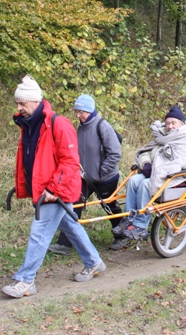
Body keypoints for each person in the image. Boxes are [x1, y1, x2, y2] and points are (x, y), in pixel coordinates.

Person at [2, 75, 106, 299]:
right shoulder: (30, 125)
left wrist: (53, 189)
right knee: (70, 226)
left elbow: (70, 161)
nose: (19, 108)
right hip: (44, 190)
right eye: (17, 104)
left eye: (22, 104)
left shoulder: (58, 123)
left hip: (56, 191)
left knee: (39, 232)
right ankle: (94, 262)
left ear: (35, 101)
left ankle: (26, 280)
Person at [48, 94, 128, 253]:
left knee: (109, 206)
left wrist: (101, 172)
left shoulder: (102, 126)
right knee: (73, 204)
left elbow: (115, 153)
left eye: (81, 112)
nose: (78, 115)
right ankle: (64, 244)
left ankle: (122, 235)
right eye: (76, 112)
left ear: (90, 110)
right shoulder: (81, 127)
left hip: (105, 178)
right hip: (84, 177)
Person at [113, 105, 186, 240]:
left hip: (177, 176)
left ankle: (141, 225)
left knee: (146, 184)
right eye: (168, 123)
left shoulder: (185, 136)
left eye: (173, 123)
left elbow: (184, 162)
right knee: (134, 180)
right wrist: (146, 164)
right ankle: (129, 217)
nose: (170, 126)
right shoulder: (163, 136)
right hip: (159, 173)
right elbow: (147, 152)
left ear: (181, 123)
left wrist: (156, 170)